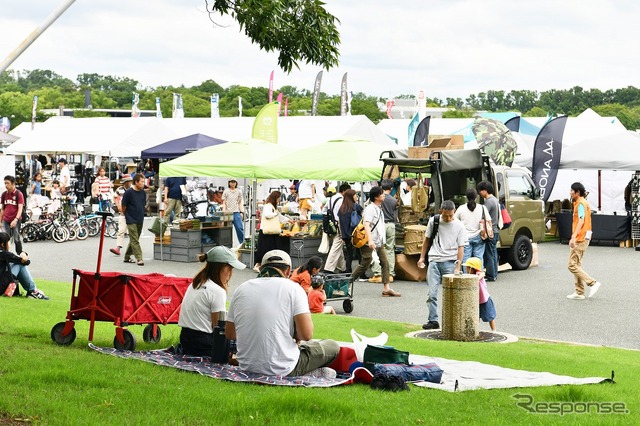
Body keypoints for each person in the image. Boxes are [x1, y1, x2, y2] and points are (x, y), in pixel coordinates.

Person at [226, 250, 340, 377]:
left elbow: (230, 333)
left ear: (261, 268)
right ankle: (307, 373)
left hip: (246, 365)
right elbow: (306, 335)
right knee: (332, 346)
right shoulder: (294, 288)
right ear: (288, 270)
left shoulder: (241, 288)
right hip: (283, 367)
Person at [178, 246, 246, 357]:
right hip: (203, 344)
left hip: (185, 339)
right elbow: (219, 329)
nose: (230, 273)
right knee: (244, 341)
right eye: (230, 268)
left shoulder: (196, 283)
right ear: (220, 268)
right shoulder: (217, 290)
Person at [418, 200, 468, 330]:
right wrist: (421, 258)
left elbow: (461, 247)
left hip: (450, 261)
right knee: (431, 293)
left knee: (451, 295)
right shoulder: (433, 221)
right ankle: (433, 320)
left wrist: (458, 266)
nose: (448, 218)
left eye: (451, 215)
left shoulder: (459, 225)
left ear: (454, 212)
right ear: (441, 211)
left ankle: (452, 322)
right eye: (446, 215)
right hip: (434, 260)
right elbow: (426, 240)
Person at [351, 186, 400, 297]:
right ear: (376, 196)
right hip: (369, 242)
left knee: (385, 263)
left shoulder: (378, 208)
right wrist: (370, 240)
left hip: (378, 242)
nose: (384, 195)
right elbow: (366, 225)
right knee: (365, 264)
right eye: (382, 194)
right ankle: (347, 283)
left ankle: (386, 288)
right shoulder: (370, 209)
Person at [566, 182, 602, 300]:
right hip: (584, 236)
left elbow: (581, 221)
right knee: (577, 264)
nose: (570, 192)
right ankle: (579, 291)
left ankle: (592, 282)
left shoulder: (580, 204)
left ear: (577, 192)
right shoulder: (584, 203)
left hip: (580, 237)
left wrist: (573, 237)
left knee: (572, 265)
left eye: (572, 190)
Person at [0, 231, 48, 300]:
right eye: (8, 242)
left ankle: (32, 291)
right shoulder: (5, 254)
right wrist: (23, 254)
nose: (9, 244)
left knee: (13, 263)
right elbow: (26, 262)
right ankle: (33, 291)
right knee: (19, 265)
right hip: (1, 287)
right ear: (2, 244)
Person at [254, 190, 291, 271]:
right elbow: (267, 215)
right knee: (264, 249)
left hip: (271, 232)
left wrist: (288, 220)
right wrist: (276, 214)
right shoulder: (268, 206)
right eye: (278, 198)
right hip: (266, 231)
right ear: (275, 198)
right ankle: (258, 265)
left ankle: (264, 266)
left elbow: (280, 217)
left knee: (268, 249)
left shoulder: (273, 207)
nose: (279, 199)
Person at [370, 179, 398, 282]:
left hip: (379, 226)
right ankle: (390, 274)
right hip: (390, 225)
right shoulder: (394, 200)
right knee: (390, 250)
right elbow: (396, 215)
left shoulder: (377, 198)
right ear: (391, 188)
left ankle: (378, 273)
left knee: (377, 249)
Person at [455, 188, 489, 265]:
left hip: (465, 237)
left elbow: (454, 221)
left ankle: (467, 276)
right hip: (479, 236)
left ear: (466, 197)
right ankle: (479, 276)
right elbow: (489, 220)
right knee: (479, 258)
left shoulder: (461, 208)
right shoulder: (482, 208)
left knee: (466, 260)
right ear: (476, 197)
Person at [463, 257, 496, 331]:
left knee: (490, 316)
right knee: (476, 316)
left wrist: (477, 278)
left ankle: (494, 330)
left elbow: (482, 274)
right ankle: (476, 330)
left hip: (484, 300)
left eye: (467, 268)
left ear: (472, 268)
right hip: (475, 301)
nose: (466, 269)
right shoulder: (469, 276)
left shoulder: (478, 274)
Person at [121, 173, 147, 266]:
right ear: (136, 182)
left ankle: (127, 257)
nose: (143, 184)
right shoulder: (128, 192)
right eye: (141, 182)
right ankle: (139, 258)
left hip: (140, 217)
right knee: (135, 239)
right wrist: (126, 214)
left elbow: (143, 204)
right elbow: (123, 205)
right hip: (130, 218)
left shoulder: (143, 192)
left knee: (134, 238)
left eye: (144, 182)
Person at [477, 181, 500, 282]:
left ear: (485, 190)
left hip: (490, 232)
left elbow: (482, 216)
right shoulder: (495, 199)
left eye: (480, 190)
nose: (479, 193)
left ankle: (491, 275)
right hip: (495, 231)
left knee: (489, 254)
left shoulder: (489, 202)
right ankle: (494, 273)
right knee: (493, 253)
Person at [336, 187, 361, 274]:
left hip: (346, 235)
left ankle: (348, 271)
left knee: (349, 254)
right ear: (351, 197)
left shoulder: (342, 209)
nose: (356, 197)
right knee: (359, 253)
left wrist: (343, 234)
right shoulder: (356, 207)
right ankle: (361, 273)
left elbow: (340, 223)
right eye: (355, 195)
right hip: (356, 234)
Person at [0, 175, 25, 254]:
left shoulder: (19, 194)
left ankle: (20, 255)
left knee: (17, 239)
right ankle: (5, 256)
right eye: (5, 183)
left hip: (16, 220)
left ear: (13, 183)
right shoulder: (4, 194)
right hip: (5, 220)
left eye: (8, 183)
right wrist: (0, 221)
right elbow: (3, 208)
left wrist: (16, 219)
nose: (6, 185)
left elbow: (20, 208)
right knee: (4, 239)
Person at [109, 174, 132, 256]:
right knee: (121, 231)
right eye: (127, 182)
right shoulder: (120, 189)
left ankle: (132, 248)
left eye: (129, 182)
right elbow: (115, 197)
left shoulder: (133, 189)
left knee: (132, 232)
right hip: (123, 213)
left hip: (132, 213)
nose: (128, 183)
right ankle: (118, 247)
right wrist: (118, 205)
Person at [222, 179, 244, 246]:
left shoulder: (239, 191)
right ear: (229, 183)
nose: (233, 183)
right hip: (228, 213)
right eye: (231, 182)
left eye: (234, 182)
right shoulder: (226, 191)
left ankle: (242, 244)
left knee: (240, 229)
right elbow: (224, 203)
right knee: (226, 230)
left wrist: (241, 212)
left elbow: (240, 202)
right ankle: (226, 245)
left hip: (236, 213)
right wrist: (224, 212)